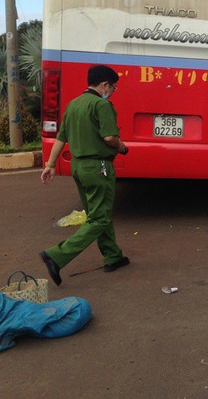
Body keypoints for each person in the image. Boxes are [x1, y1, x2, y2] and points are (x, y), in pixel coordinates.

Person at [39, 65, 130, 286]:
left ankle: (112, 257)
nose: (113, 91)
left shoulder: (72, 105)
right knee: (99, 218)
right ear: (105, 84)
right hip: (99, 166)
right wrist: (122, 146)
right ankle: (57, 255)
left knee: (98, 214)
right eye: (113, 86)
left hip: (78, 167)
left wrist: (50, 164)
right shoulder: (102, 105)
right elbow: (109, 137)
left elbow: (61, 137)